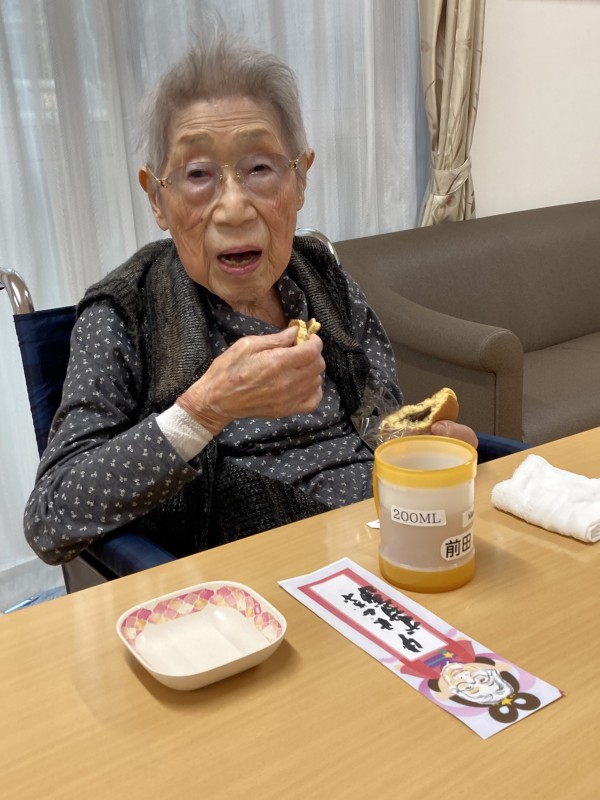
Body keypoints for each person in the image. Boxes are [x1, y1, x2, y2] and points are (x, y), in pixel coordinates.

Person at [24, 18, 477, 566]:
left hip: (387, 543)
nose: (234, 208)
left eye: (259, 167)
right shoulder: (123, 313)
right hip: (256, 579)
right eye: (198, 174)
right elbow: (50, 516)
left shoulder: (324, 279)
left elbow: (381, 422)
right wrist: (204, 410)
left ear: (301, 178)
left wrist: (421, 448)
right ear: (157, 198)